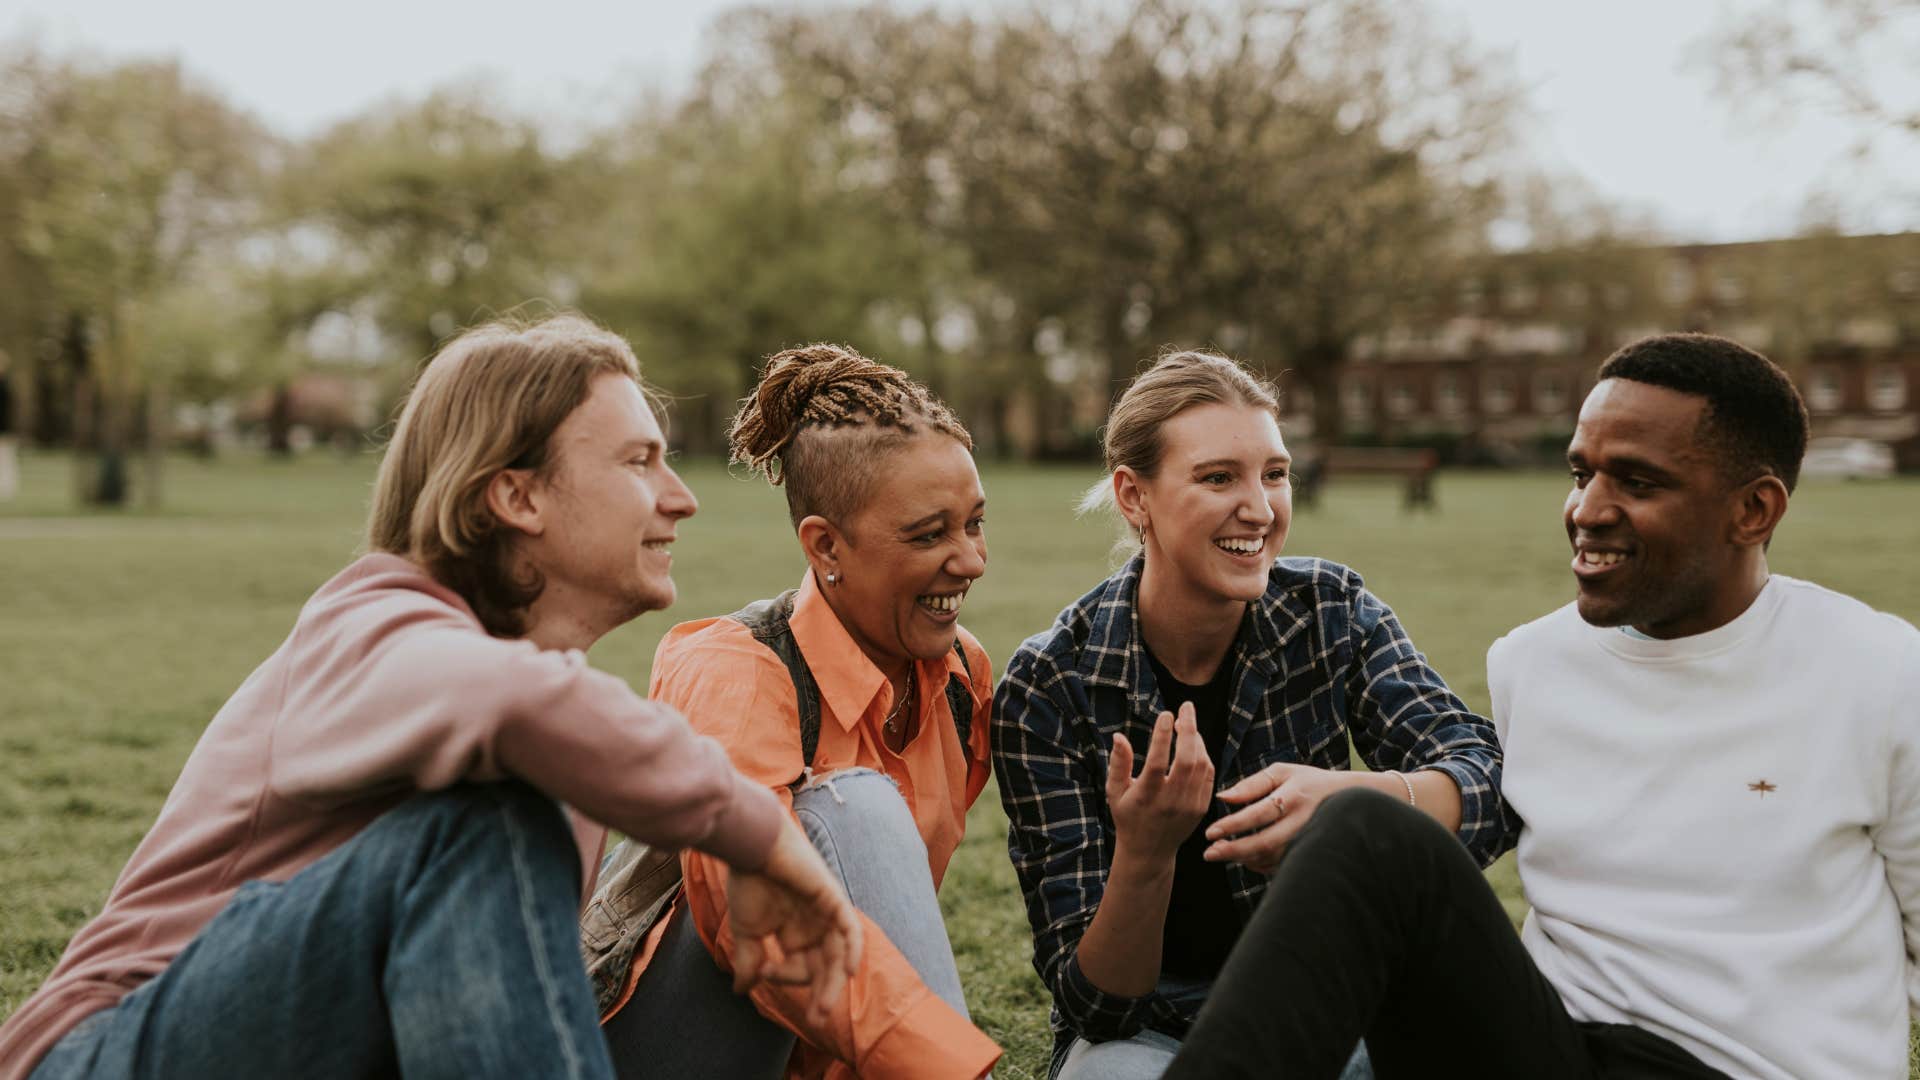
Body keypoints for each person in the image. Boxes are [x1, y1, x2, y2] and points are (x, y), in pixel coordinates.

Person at [0, 314, 862, 1080]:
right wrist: (758, 841)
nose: (682, 498)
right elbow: (518, 704)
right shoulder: (369, 623)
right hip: (99, 1053)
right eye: (639, 461)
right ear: (517, 494)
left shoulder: (518, 707)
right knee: (493, 819)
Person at [1161, 332, 1920, 1079]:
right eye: (1581, 473)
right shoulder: (1533, 662)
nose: (1588, 510)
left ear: (1753, 510)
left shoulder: (1881, 673)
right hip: (1559, 1053)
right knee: (1366, 829)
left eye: (1637, 483)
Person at [992, 350, 1510, 1080]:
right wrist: (1146, 854)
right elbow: (1098, 1008)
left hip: (1334, 1002)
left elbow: (1487, 779)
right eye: (1217, 478)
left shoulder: (1331, 612)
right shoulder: (1049, 685)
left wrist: (1354, 804)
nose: (1261, 509)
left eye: (1274, 473)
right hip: (1154, 1029)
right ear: (1134, 497)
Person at [596, 344, 1001, 1080]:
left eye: (974, 523)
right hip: (642, 1048)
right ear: (825, 546)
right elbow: (750, 914)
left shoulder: (960, 675)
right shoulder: (735, 667)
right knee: (857, 806)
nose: (971, 560)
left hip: (808, 1039)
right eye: (928, 534)